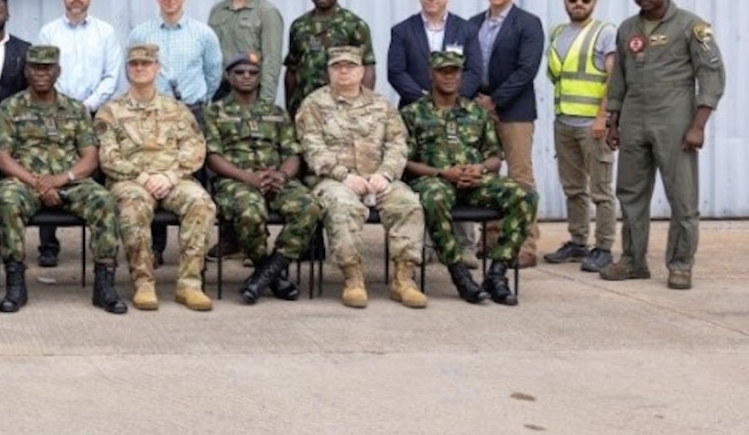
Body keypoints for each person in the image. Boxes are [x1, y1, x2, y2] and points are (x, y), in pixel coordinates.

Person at [602, 0, 726, 289]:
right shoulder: (628, 28)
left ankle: (681, 264)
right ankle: (632, 260)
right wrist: (612, 121)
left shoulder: (691, 26)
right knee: (630, 194)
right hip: (633, 121)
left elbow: (711, 77)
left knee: (682, 198)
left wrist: (698, 125)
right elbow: (619, 80)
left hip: (674, 122)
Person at [0, 44, 125, 314]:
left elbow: (90, 157)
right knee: (6, 201)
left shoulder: (75, 109)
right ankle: (16, 284)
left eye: (47, 68)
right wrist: (38, 183)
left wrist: (62, 178)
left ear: (58, 71)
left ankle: (105, 285)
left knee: (104, 200)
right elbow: (3, 158)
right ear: (26, 71)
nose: (41, 73)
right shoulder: (10, 107)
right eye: (35, 68)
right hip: (24, 182)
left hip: (70, 180)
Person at [401, 50, 535, 306]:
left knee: (525, 196)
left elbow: (495, 156)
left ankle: (496, 274)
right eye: (443, 71)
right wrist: (442, 173)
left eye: (454, 71)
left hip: (474, 181)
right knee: (434, 197)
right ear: (431, 74)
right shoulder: (413, 113)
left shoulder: (477, 113)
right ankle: (459, 273)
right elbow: (404, 162)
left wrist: (480, 169)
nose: (449, 76)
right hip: (435, 180)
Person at [295, 46, 426, 309]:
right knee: (343, 207)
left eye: (350, 66)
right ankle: (353, 278)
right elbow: (311, 147)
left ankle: (404, 279)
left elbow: (397, 144)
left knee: (408, 203)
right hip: (333, 180)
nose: (344, 71)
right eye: (337, 66)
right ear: (329, 71)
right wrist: (343, 175)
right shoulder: (314, 104)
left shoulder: (381, 105)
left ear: (362, 71)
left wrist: (385, 175)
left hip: (378, 178)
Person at [95, 43, 216, 312]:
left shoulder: (176, 109)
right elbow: (108, 157)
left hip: (173, 178)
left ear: (157, 69)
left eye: (146, 64)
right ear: (127, 69)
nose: (140, 68)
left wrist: (171, 175)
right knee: (132, 208)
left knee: (201, 203)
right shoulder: (111, 111)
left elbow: (195, 147)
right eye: (134, 64)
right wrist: (142, 177)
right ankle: (144, 283)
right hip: (130, 181)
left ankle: (190, 284)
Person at [203, 52, 322, 306]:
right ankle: (270, 273)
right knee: (249, 212)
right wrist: (248, 177)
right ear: (229, 76)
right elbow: (213, 157)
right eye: (240, 72)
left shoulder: (276, 112)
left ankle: (268, 271)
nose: (246, 77)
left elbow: (293, 153)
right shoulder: (215, 112)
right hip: (234, 180)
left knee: (309, 207)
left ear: (259, 77)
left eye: (252, 73)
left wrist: (281, 174)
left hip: (275, 178)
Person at [462, 0, 546, 265]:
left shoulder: (528, 23)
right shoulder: (472, 24)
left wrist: (495, 101)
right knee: (486, 174)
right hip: (478, 107)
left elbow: (527, 69)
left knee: (520, 176)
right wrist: (476, 100)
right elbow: (468, 67)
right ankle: (493, 239)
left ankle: (524, 245)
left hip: (514, 110)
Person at [543, 0, 619, 271]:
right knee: (573, 188)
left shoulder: (605, 32)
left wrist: (603, 117)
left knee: (601, 190)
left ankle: (603, 247)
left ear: (594, 1)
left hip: (592, 125)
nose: (578, 3)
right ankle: (577, 241)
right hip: (564, 121)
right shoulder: (558, 33)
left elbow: (613, 79)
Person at [284, 0, 375, 110]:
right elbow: (291, 69)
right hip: (304, 106)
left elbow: (367, 66)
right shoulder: (299, 25)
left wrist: (362, 106)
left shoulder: (354, 24)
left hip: (342, 107)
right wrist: (290, 106)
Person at [127, 0, 223, 104]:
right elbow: (131, 72)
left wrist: (201, 99)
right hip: (152, 111)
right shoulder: (140, 34)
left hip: (192, 109)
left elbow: (213, 74)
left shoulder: (204, 34)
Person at [385, 0, 476, 107]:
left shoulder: (467, 29)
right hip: (415, 111)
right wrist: (424, 100)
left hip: (458, 112)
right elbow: (396, 72)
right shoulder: (402, 31)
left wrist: (452, 99)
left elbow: (474, 71)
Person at [207, 0, 284, 104]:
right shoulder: (217, 11)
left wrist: (265, 103)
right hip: (221, 94)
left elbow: (272, 61)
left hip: (251, 94)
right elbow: (210, 57)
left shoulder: (267, 12)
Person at [37, 0, 119, 111]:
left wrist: (89, 105)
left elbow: (112, 75)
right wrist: (64, 105)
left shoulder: (106, 32)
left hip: (96, 113)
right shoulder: (48, 33)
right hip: (57, 112)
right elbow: (43, 74)